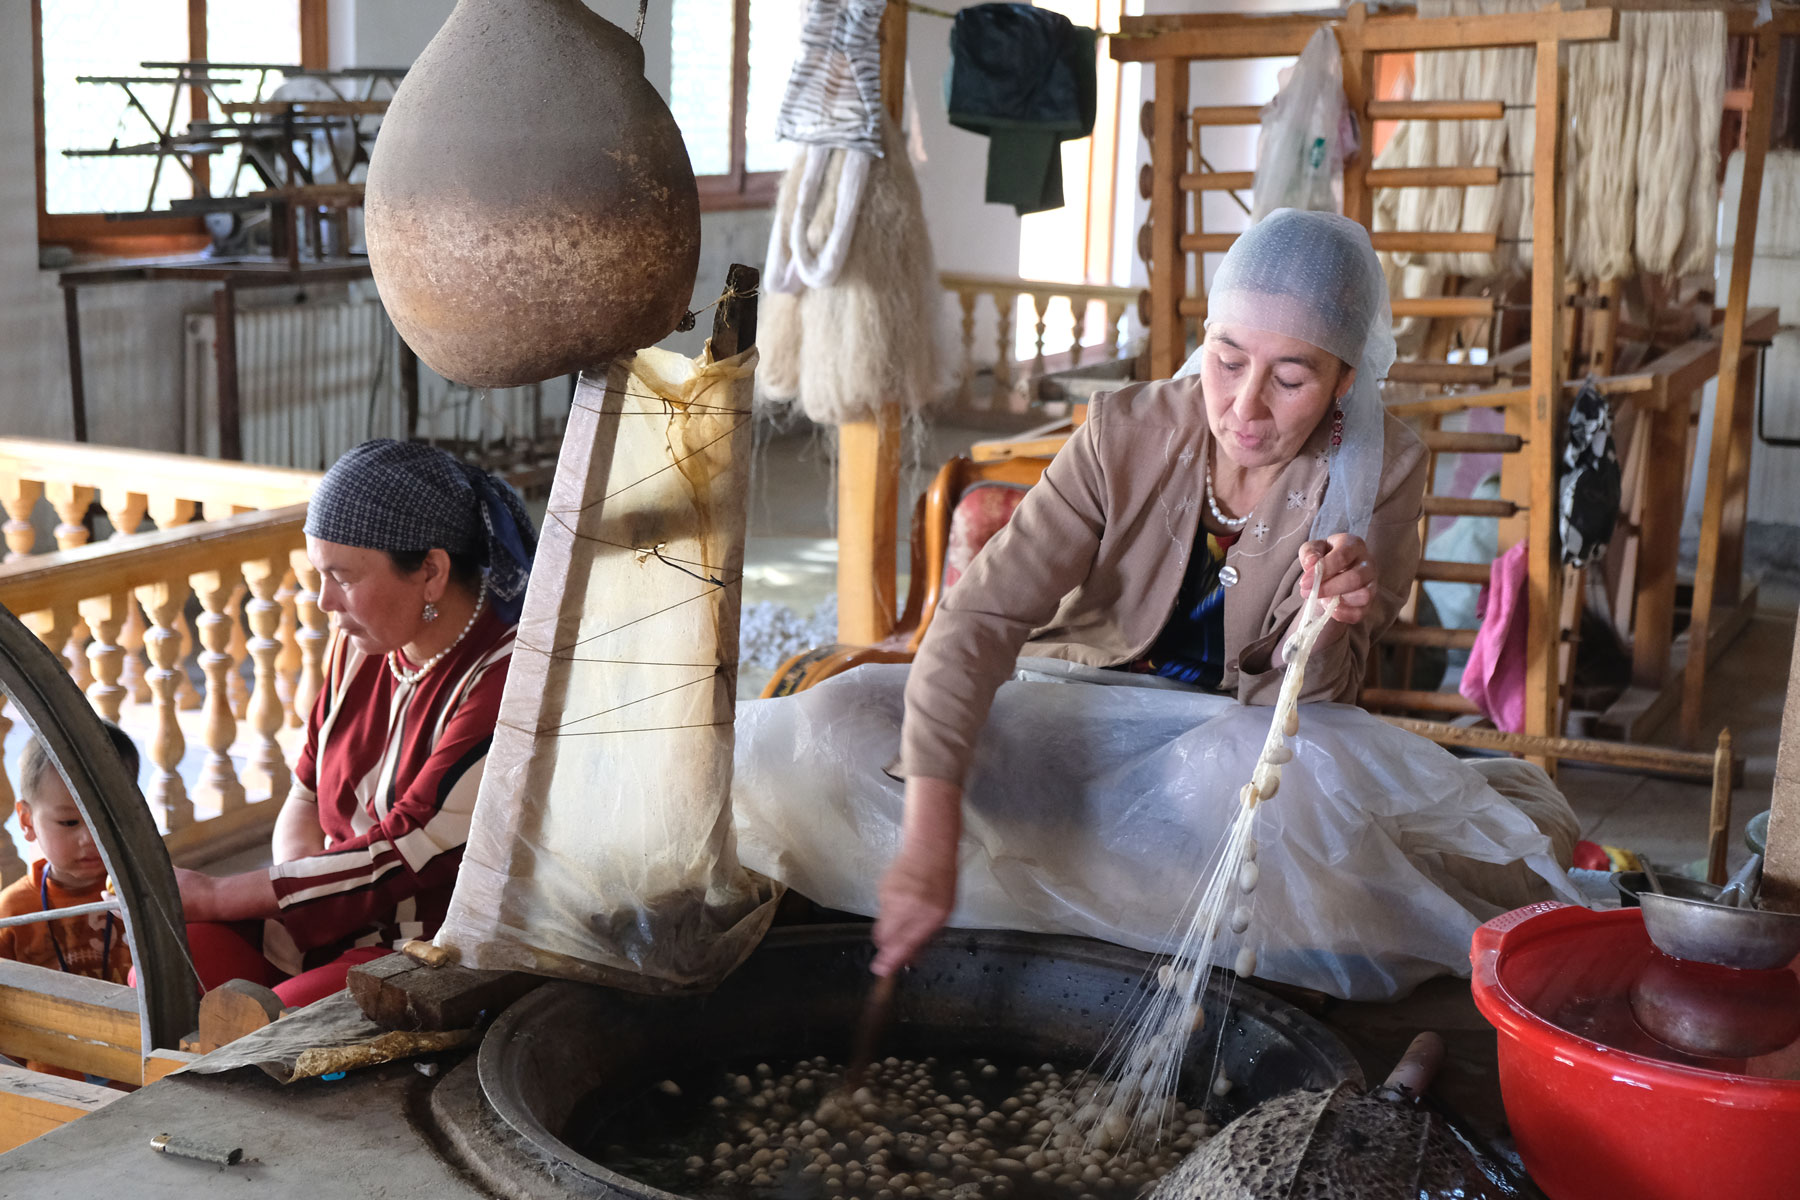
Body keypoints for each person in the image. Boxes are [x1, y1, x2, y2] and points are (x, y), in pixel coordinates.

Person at [732, 210, 1578, 1000]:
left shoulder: (1378, 471)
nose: (1244, 407)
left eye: (1290, 377)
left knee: (1270, 787)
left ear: (1343, 382)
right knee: (832, 721)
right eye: (1227, 359)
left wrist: (1328, 616)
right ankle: (1086, 895)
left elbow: (1311, 719)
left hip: (1219, 758)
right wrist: (928, 820)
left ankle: (1045, 895)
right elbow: (981, 618)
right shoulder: (1122, 433)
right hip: (1071, 723)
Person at [173, 440, 537, 1008]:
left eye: (341, 576)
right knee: (169, 960)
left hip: (422, 952)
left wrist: (220, 894)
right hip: (324, 918)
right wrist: (287, 895)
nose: (323, 601)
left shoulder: (509, 679)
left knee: (272, 1030)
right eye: (319, 574)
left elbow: (402, 853)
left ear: (432, 573)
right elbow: (307, 791)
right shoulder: (362, 645)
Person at [1, 722, 140, 1077]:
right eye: (69, 822)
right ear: (27, 820)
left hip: (145, 1079)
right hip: (54, 1092)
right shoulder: (13, 914)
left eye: (109, 817)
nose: (91, 838)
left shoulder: (154, 896)